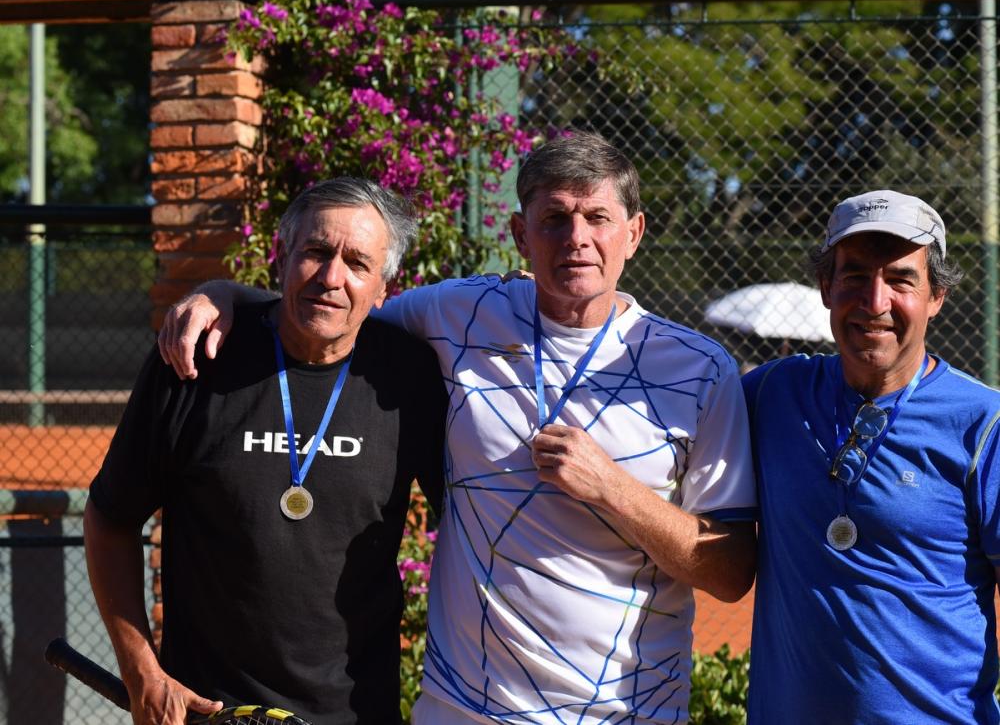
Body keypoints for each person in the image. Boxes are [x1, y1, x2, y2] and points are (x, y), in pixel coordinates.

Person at [161, 131, 757, 723]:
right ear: (520, 234)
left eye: (597, 217)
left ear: (634, 232)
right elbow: (337, 307)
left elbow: (730, 572)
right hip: (463, 708)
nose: (576, 238)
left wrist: (612, 487)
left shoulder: (700, 369)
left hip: (629, 712)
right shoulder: (456, 313)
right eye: (554, 218)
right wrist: (224, 294)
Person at [84, 177, 447, 725]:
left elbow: (474, 524)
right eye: (316, 252)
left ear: (383, 288)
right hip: (207, 711)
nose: (331, 277)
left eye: (357, 263)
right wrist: (142, 672)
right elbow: (110, 520)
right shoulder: (197, 358)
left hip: (355, 713)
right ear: (283, 256)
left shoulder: (410, 378)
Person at [743, 189, 1000, 723]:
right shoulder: (772, 394)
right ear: (826, 287)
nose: (875, 300)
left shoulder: (984, 424)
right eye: (855, 276)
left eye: (901, 279)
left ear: (936, 296)